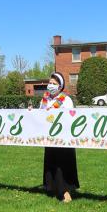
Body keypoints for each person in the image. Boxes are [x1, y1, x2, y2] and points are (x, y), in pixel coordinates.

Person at [40, 72, 79, 203]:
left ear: (60, 86)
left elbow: (70, 117)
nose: (51, 85)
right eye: (50, 83)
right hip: (49, 137)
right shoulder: (44, 100)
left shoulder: (66, 100)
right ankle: (51, 187)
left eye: (54, 84)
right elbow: (40, 115)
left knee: (63, 164)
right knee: (51, 161)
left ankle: (66, 191)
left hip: (63, 138)